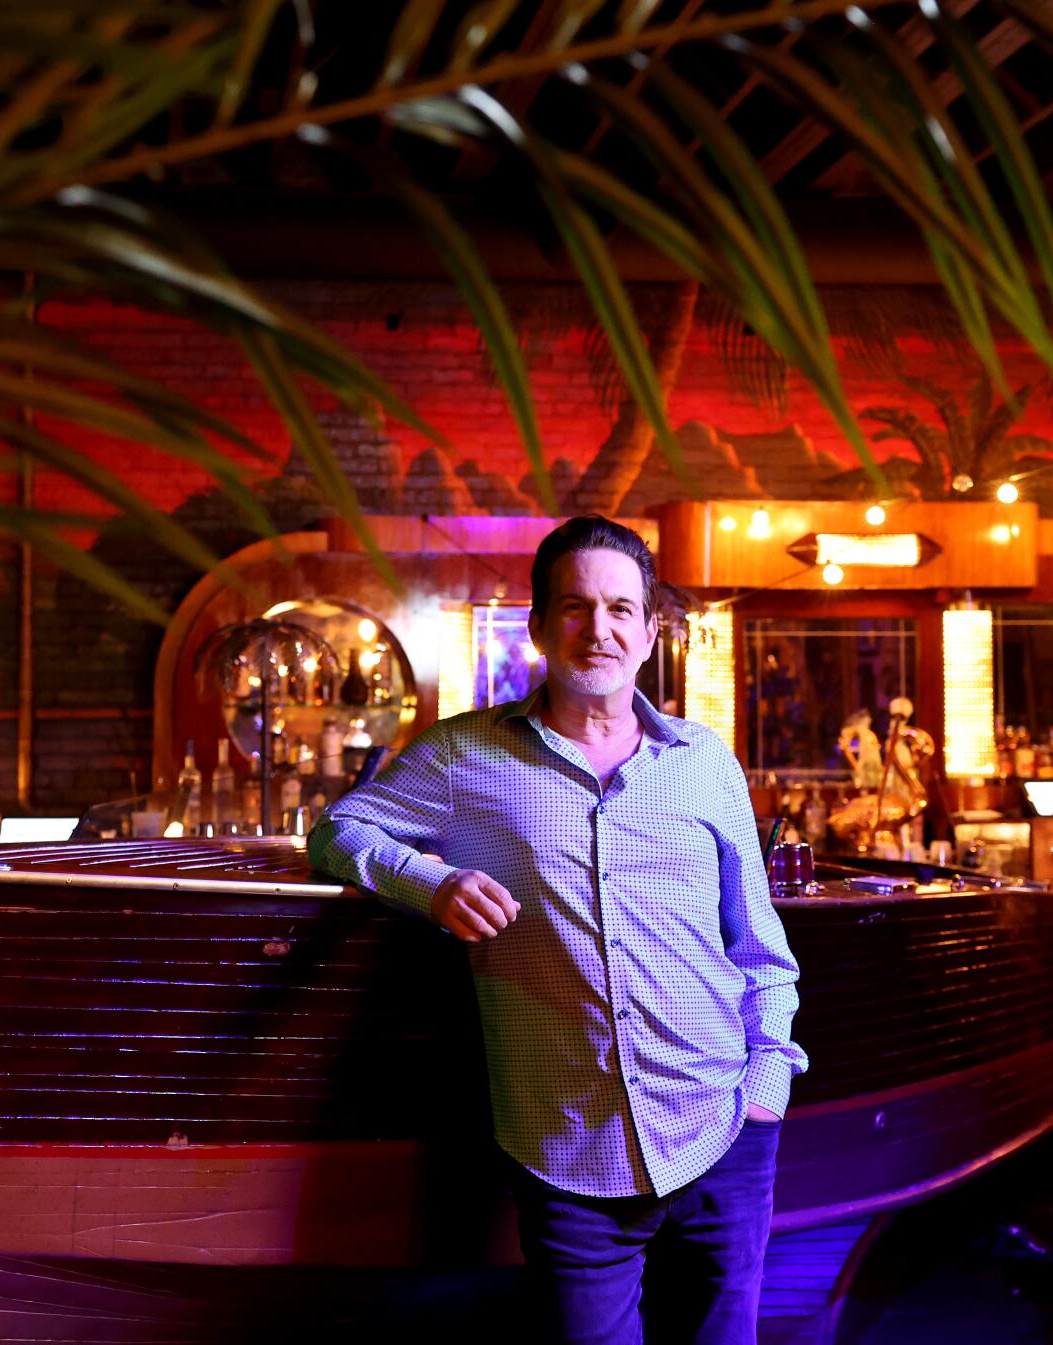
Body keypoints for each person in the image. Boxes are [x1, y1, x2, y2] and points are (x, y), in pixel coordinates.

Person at [309, 516, 807, 1345]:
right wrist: (430, 884)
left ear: (652, 631)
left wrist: (765, 1089)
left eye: (621, 608)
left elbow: (760, 949)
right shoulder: (464, 756)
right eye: (575, 607)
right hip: (568, 1152)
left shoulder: (705, 760)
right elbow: (338, 832)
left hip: (722, 1132)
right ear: (538, 625)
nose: (599, 629)